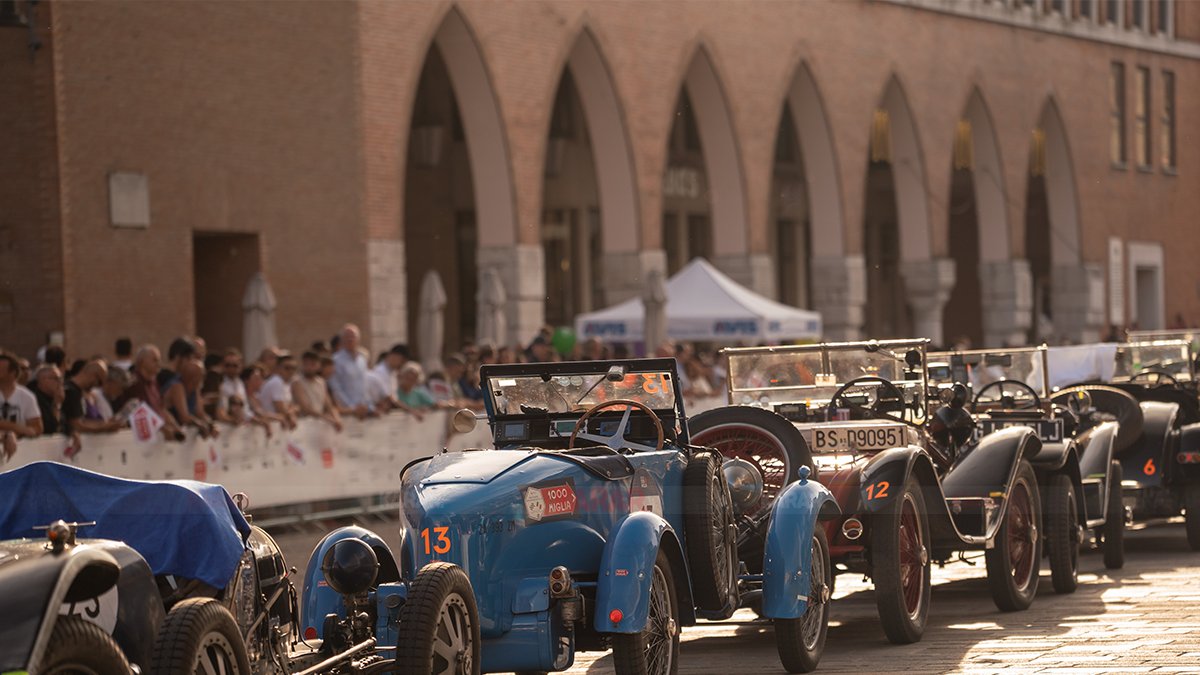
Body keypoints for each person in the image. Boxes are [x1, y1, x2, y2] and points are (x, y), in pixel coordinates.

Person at [118, 344, 183, 441]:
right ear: (142, 362)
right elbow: (140, 411)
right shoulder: (134, 383)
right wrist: (162, 429)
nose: (159, 364)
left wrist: (176, 427)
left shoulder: (154, 382)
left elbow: (161, 408)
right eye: (155, 360)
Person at [63, 359, 123, 433]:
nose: (97, 386)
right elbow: (77, 426)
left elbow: (83, 421)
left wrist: (105, 423)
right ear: (93, 375)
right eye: (99, 382)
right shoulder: (71, 392)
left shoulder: (78, 392)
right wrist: (105, 428)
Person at [163, 359, 218, 438]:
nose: (204, 378)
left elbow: (200, 413)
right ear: (194, 378)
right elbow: (184, 417)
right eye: (202, 375)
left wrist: (211, 425)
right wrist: (200, 424)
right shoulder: (177, 387)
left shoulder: (195, 388)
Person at [329, 323, 372, 419]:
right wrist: (351, 408)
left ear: (358, 339)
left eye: (353, 336)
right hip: (347, 412)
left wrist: (367, 406)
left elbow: (365, 385)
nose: (350, 339)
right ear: (342, 340)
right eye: (347, 336)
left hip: (363, 410)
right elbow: (336, 388)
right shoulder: (336, 360)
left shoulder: (362, 360)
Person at [0, 350, 43, 443]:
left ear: (13, 373)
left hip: (20, 450)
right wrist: (17, 428)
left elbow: (36, 428)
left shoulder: (27, 396)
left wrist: (16, 433)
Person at [293, 351, 342, 431]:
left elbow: (329, 405)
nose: (309, 367)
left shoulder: (321, 382)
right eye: (306, 364)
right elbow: (305, 408)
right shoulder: (297, 382)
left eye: (312, 364)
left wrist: (337, 419)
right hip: (303, 425)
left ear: (318, 365)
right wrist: (326, 418)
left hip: (318, 424)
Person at [258, 353, 298, 429]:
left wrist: (292, 411)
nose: (290, 371)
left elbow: (293, 406)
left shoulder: (286, 383)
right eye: (287, 368)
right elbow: (281, 408)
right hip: (272, 426)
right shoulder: (276, 382)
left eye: (293, 368)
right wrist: (291, 414)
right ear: (278, 368)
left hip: (278, 425)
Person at [30, 365, 64, 435]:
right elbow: (50, 428)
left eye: (61, 379)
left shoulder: (59, 397)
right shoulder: (34, 399)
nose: (60, 382)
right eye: (56, 378)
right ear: (42, 380)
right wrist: (56, 405)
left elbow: (66, 425)